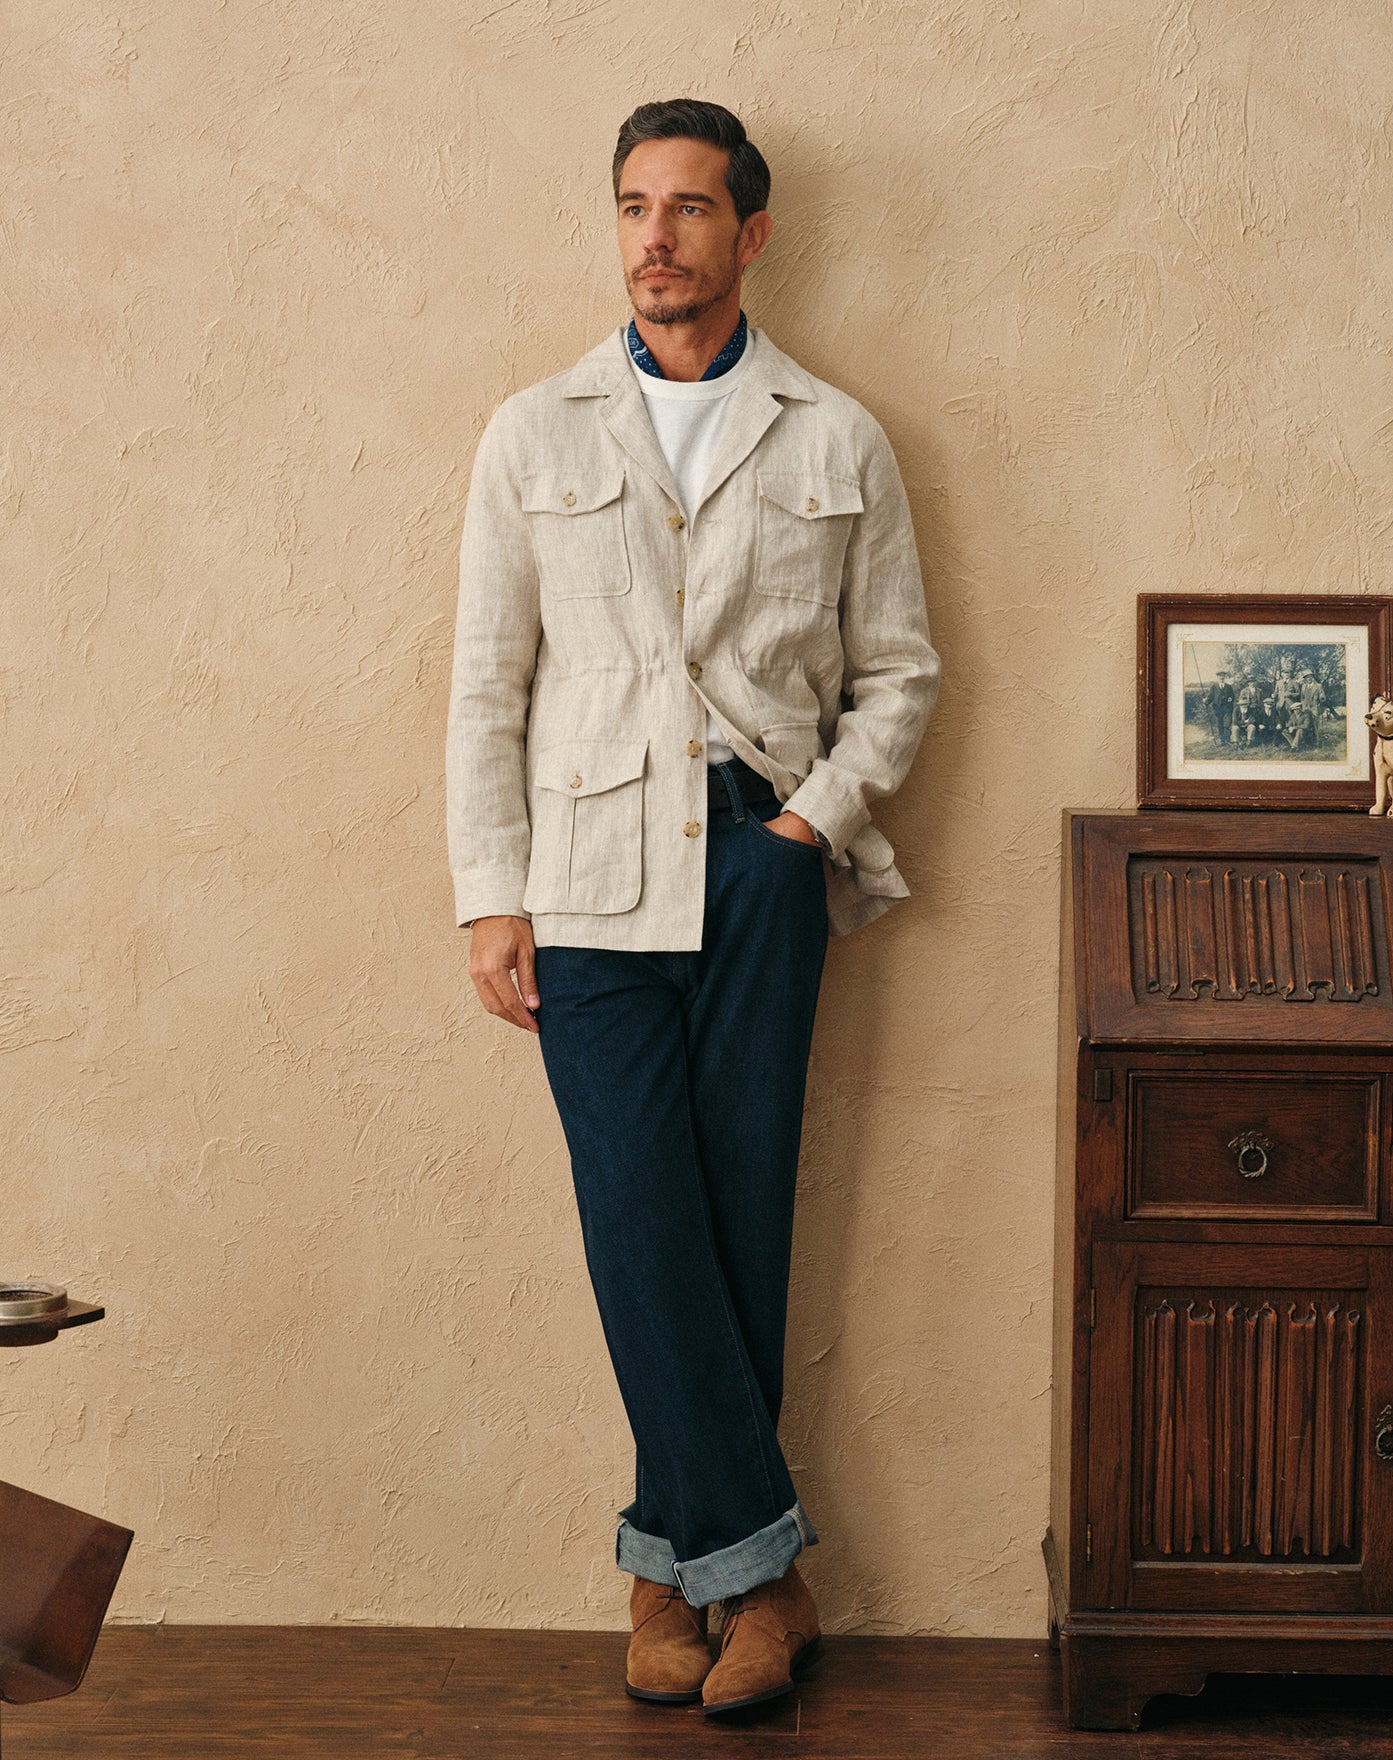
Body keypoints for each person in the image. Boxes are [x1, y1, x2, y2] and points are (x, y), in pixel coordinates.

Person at [445, 98, 940, 1717]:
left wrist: (809, 827)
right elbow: (487, 686)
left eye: (690, 208)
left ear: (751, 232)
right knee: (640, 1219)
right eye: (633, 206)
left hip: (762, 865)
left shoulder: (837, 436)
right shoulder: (535, 433)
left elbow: (900, 674)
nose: (655, 236)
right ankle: (766, 1580)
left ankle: (667, 1575)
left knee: (738, 1222)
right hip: (585, 882)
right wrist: (489, 896)